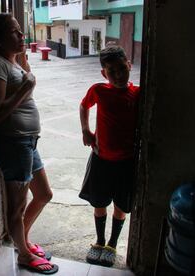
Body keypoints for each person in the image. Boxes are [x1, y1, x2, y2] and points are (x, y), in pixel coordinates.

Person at [0, 13, 58, 274]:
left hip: (28, 143)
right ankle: (24, 255)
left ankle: (21, 241)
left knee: (44, 194)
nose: (22, 36)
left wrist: (25, 70)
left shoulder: (12, 61)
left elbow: (22, 90)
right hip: (13, 144)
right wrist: (25, 87)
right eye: (15, 32)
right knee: (17, 207)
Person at [78, 45, 140, 267]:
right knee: (99, 202)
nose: (118, 75)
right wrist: (85, 129)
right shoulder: (99, 90)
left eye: (122, 69)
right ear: (104, 73)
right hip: (101, 159)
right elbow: (84, 105)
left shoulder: (138, 93)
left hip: (126, 162)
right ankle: (100, 241)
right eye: (111, 71)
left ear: (129, 66)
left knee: (121, 206)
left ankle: (112, 244)